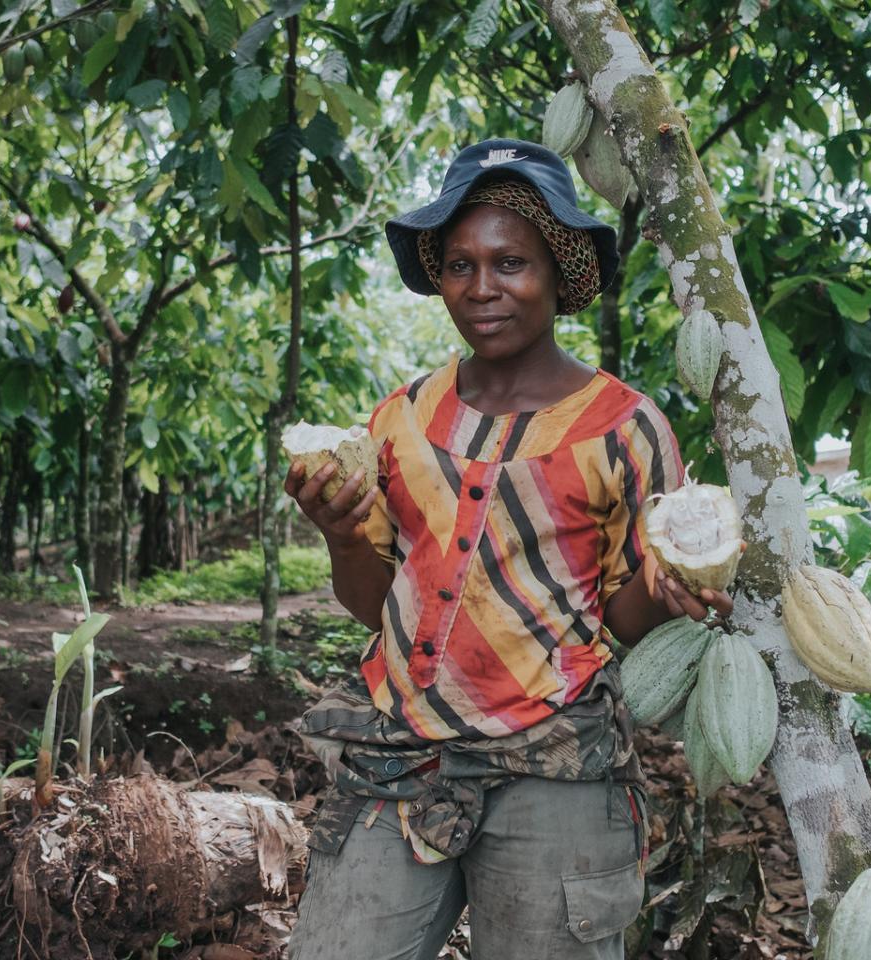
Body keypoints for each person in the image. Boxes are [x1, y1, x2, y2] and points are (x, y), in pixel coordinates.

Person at [283, 138, 731, 960]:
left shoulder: (627, 430)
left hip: (555, 759)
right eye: (460, 266)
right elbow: (373, 603)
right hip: (401, 751)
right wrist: (343, 536)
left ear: (559, 274)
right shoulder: (402, 420)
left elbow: (626, 621)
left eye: (511, 263)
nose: (482, 288)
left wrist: (668, 591)